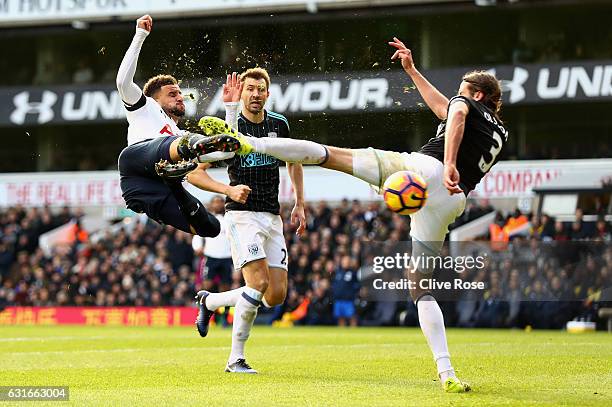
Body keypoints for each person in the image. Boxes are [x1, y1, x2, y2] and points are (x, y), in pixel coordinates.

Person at [200, 37, 509, 391]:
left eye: (463, 90)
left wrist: (450, 161)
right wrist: (411, 70)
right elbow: (444, 110)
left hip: (428, 172)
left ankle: (249, 142)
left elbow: (454, 113)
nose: (457, 94)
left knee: (329, 155)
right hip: (451, 202)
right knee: (419, 286)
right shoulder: (498, 129)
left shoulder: (466, 106)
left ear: (478, 94)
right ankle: (447, 372)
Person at [189, 69, 306, 374]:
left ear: (268, 94)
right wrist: (227, 189)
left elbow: (294, 160)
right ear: (241, 94)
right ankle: (235, 359)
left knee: (275, 296)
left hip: (273, 216)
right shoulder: (230, 126)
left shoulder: (279, 124)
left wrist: (300, 202)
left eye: (260, 89)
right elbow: (194, 172)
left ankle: (211, 302)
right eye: (250, 89)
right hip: (241, 216)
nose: (255, 94)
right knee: (257, 284)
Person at [116, 15, 242, 238]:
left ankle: (174, 181)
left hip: (158, 186)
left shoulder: (179, 133)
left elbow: (226, 150)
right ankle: (177, 169)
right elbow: (123, 82)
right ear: (155, 99)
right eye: (172, 94)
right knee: (185, 143)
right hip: (136, 167)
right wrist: (140, 35)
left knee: (210, 228)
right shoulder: (145, 107)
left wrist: (231, 108)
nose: (180, 98)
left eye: (181, 94)